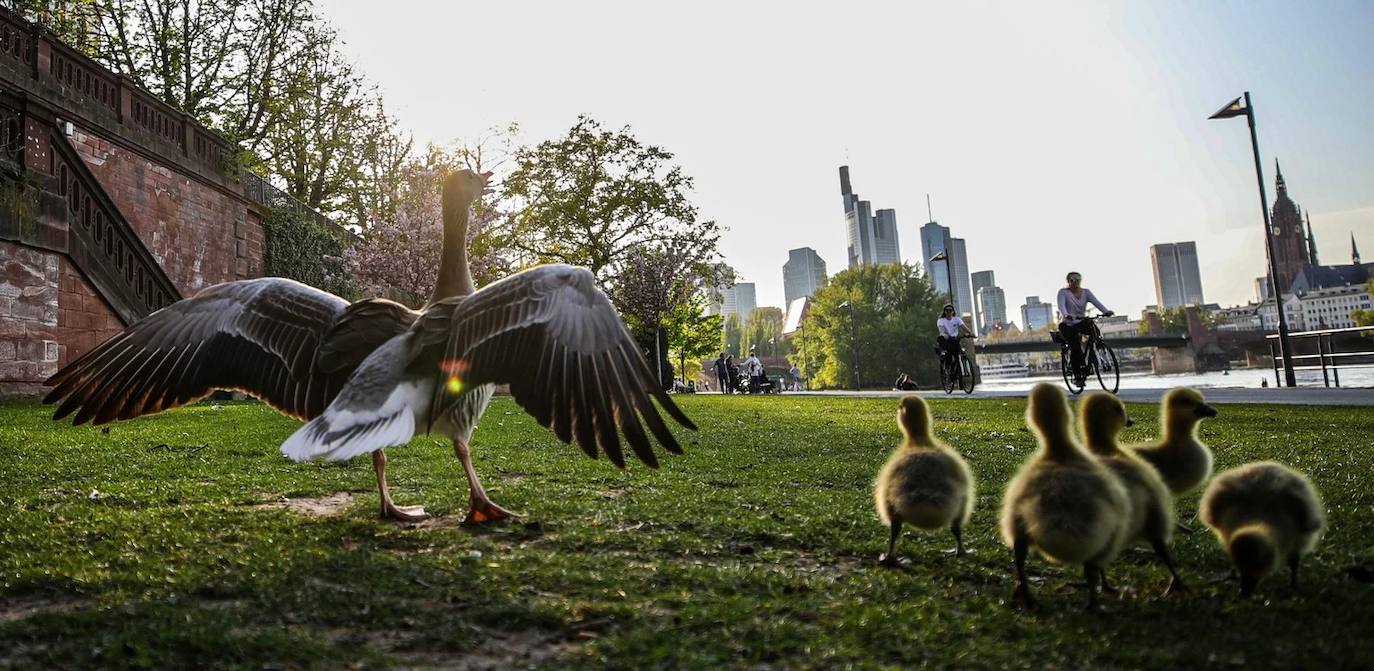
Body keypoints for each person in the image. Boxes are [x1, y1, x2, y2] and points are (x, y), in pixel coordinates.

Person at [1056, 271, 1113, 385]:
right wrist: (1066, 314)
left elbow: (1096, 302)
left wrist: (1106, 311)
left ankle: (1101, 359)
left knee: (1095, 334)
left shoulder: (1086, 292)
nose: (1075, 282)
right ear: (1068, 281)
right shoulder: (1063, 292)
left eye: (1078, 280)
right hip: (1068, 324)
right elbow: (1061, 305)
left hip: (1082, 321)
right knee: (1075, 347)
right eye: (1072, 280)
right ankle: (1077, 375)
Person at [936, 304, 972, 372]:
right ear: (944, 312)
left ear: (953, 311)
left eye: (950, 310)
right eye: (947, 310)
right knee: (949, 354)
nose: (949, 312)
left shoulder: (957, 319)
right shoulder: (941, 320)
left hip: (955, 340)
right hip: (946, 340)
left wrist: (970, 333)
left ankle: (960, 372)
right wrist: (944, 334)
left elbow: (964, 327)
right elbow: (941, 330)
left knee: (958, 353)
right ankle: (947, 369)